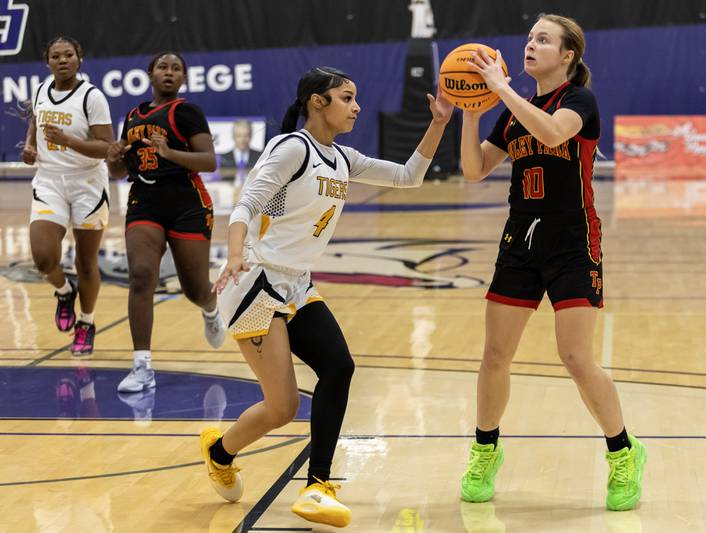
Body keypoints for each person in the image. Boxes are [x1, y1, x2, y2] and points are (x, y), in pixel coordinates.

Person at [199, 66, 453, 527]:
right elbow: (245, 205)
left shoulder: (342, 158)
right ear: (318, 101)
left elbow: (409, 176)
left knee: (339, 366)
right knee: (282, 408)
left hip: (296, 283)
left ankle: (318, 486)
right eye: (347, 97)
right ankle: (219, 451)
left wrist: (438, 123)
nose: (357, 107)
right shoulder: (291, 148)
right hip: (254, 283)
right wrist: (235, 254)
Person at [458, 14, 646, 511]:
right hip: (519, 238)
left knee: (575, 357)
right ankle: (484, 450)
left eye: (543, 39)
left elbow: (554, 136)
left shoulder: (578, 101)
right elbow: (474, 170)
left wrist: (500, 90)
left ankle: (624, 453)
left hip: (572, 240)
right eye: (529, 37)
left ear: (567, 55)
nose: (530, 44)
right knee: (495, 356)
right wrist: (470, 111)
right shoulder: (512, 109)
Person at [106, 51, 226, 393]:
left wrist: (170, 153)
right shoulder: (132, 116)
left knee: (195, 289)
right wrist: (113, 160)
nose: (169, 72)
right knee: (142, 276)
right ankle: (142, 366)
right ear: (151, 74)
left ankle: (210, 306)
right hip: (144, 202)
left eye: (176, 68)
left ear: (183, 78)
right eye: (163, 67)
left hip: (187, 203)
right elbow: (121, 171)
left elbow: (209, 160)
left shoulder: (187, 112)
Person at [22, 36, 114, 355]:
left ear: (79, 59)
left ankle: (86, 323)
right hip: (49, 180)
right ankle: (64, 291)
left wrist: (67, 140)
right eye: (56, 56)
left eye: (69, 55)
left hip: (88, 182)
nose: (62, 60)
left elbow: (107, 147)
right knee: (44, 257)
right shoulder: (41, 90)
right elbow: (36, 119)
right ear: (47, 62)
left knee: (86, 262)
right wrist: (31, 145)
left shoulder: (92, 97)